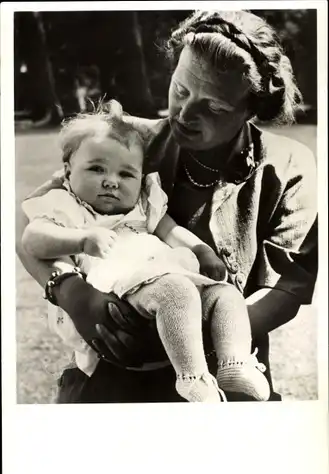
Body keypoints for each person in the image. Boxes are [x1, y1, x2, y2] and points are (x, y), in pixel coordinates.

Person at [16, 10, 318, 403]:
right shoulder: (124, 145)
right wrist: (72, 293)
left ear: (250, 110)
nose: (185, 114)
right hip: (113, 374)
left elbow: (284, 290)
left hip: (227, 375)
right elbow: (34, 218)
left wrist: (185, 329)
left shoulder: (288, 165)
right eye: (180, 90)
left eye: (214, 108)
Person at [21, 102, 271, 403]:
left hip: (167, 271)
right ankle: (193, 379)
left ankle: (235, 364)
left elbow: (170, 230)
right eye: (96, 168)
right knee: (176, 292)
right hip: (120, 283)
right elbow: (32, 238)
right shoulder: (66, 204)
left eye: (126, 174)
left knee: (225, 295)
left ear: (141, 179)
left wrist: (201, 250)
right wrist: (81, 240)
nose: (111, 181)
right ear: (67, 171)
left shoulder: (142, 204)